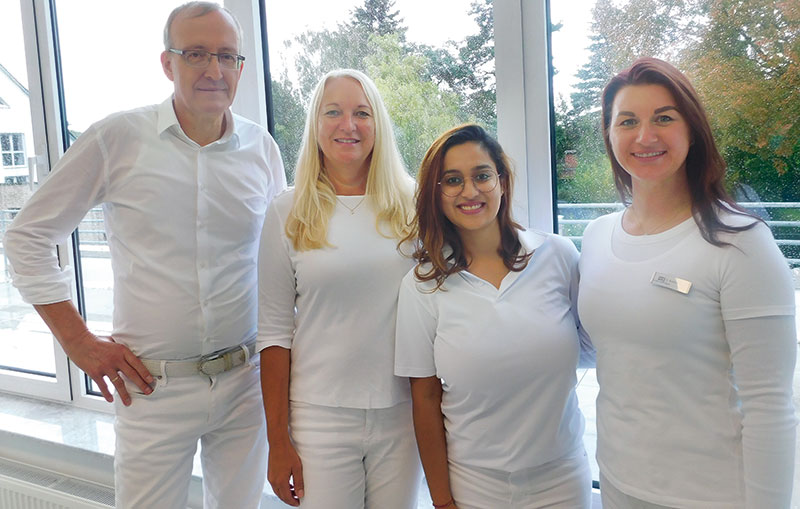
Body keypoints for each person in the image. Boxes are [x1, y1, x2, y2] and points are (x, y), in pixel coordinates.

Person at [3, 2, 287, 507]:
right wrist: (78, 341)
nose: (214, 69)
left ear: (241, 67)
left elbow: (280, 261)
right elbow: (26, 236)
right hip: (153, 389)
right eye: (196, 53)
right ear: (167, 63)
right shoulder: (117, 138)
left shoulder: (261, 148)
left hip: (245, 384)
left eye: (226, 56)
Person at [578, 57, 797, 508]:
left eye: (664, 118)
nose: (645, 136)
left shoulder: (740, 242)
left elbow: (770, 405)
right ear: (610, 135)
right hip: (617, 481)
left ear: (692, 130)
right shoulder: (596, 236)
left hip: (709, 494)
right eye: (628, 121)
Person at [394, 124, 595, 509]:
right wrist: (442, 500)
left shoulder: (558, 256)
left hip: (563, 478)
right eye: (453, 180)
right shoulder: (422, 285)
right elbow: (425, 398)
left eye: (482, 175)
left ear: (502, 181)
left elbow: (593, 344)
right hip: (474, 485)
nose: (470, 191)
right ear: (436, 194)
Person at [257, 68, 421, 508]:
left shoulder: (415, 205)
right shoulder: (287, 211)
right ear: (315, 124)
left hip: (403, 413)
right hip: (318, 417)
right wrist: (277, 441)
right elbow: (273, 333)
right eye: (333, 112)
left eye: (362, 113)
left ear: (378, 125)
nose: (348, 125)